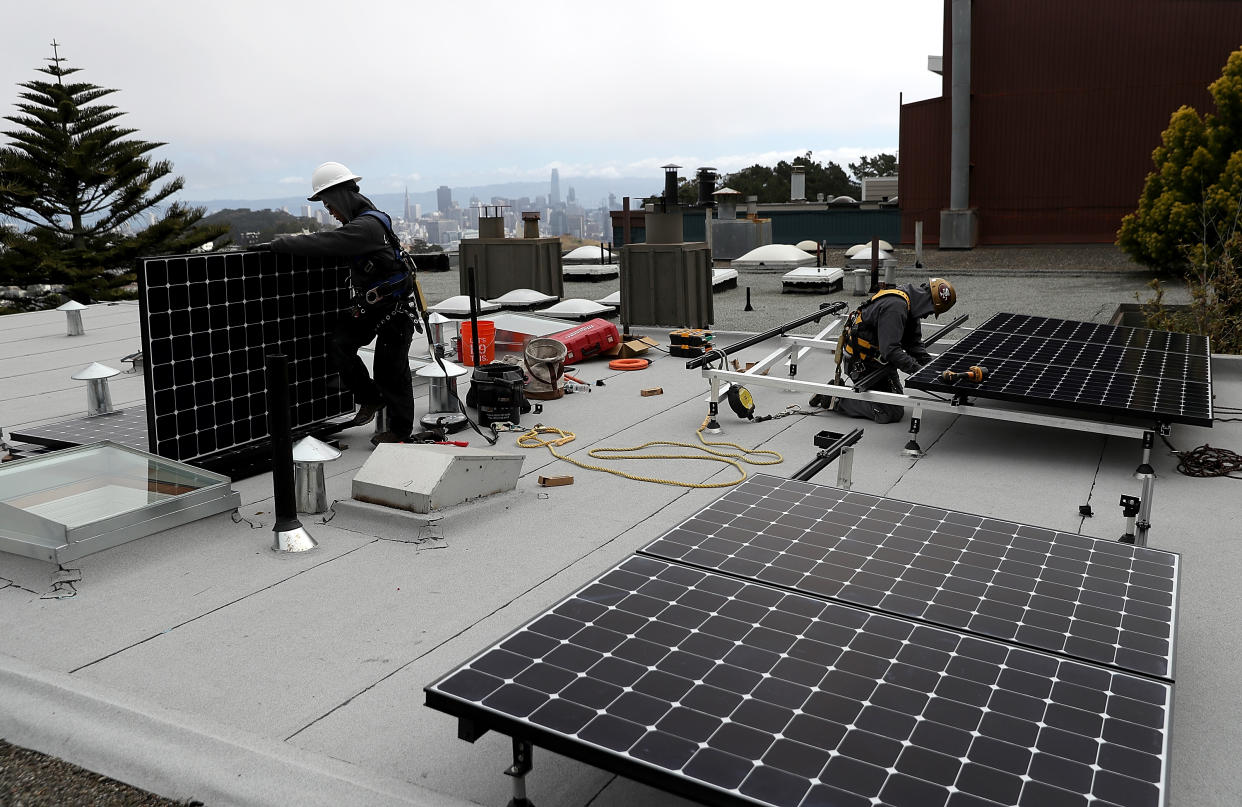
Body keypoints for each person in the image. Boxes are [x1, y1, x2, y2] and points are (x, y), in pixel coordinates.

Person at [260, 161, 416, 446]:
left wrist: (280, 244)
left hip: (393, 309)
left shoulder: (367, 226)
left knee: (391, 369)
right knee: (340, 346)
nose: (329, 212)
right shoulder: (366, 223)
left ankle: (399, 432)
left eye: (328, 204)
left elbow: (326, 242)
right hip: (376, 305)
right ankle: (371, 398)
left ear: (339, 197)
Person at [812, 278, 956, 423]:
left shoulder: (910, 303)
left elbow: (914, 346)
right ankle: (835, 399)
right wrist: (918, 371)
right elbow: (891, 350)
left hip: (879, 362)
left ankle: (837, 390)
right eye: (931, 312)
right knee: (890, 412)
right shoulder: (896, 307)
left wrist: (932, 368)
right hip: (862, 364)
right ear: (928, 303)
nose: (927, 315)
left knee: (897, 401)